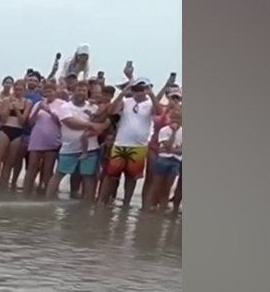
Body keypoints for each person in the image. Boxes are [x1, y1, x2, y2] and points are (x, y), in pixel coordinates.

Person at [99, 76, 162, 206]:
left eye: (142, 88)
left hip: (139, 146)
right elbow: (111, 111)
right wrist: (124, 92)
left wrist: (151, 93)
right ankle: (102, 202)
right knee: (110, 176)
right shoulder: (125, 101)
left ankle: (126, 204)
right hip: (120, 143)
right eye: (137, 88)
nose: (139, 91)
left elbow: (159, 112)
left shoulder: (150, 104)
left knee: (131, 178)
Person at [47, 81, 109, 200]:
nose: (81, 93)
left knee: (89, 177)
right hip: (69, 148)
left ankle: (88, 204)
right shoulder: (65, 107)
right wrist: (91, 125)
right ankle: (48, 200)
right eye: (79, 90)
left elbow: (101, 122)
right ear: (73, 91)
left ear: (87, 93)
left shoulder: (93, 107)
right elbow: (71, 123)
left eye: (84, 91)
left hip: (91, 148)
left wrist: (96, 126)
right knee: (59, 174)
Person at [146, 105, 182, 212]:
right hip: (163, 160)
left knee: (167, 188)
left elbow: (180, 150)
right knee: (156, 186)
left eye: (178, 118)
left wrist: (170, 150)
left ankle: (162, 210)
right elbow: (167, 146)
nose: (175, 121)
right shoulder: (164, 130)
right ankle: (149, 208)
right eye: (173, 118)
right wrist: (174, 133)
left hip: (175, 161)